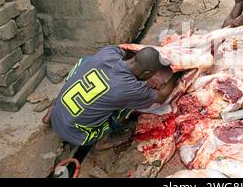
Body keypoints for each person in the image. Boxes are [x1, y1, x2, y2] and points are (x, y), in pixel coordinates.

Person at [43, 46, 175, 150]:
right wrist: (175, 71)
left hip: (60, 113)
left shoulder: (109, 52)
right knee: (124, 108)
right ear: (146, 73)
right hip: (77, 134)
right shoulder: (129, 88)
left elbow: (126, 50)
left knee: (84, 62)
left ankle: (52, 112)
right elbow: (161, 96)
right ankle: (103, 141)